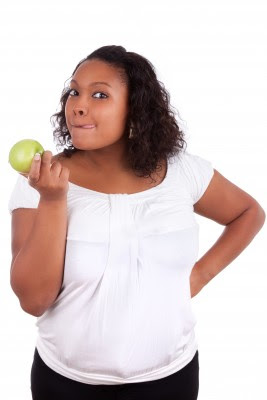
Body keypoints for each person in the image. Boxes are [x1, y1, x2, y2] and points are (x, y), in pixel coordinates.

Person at [8, 45, 265, 400]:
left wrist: (201, 275)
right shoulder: (40, 181)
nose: (78, 105)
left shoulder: (183, 171)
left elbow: (248, 213)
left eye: (100, 94)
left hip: (170, 379)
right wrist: (53, 200)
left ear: (135, 109)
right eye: (74, 91)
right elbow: (34, 300)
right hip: (65, 383)